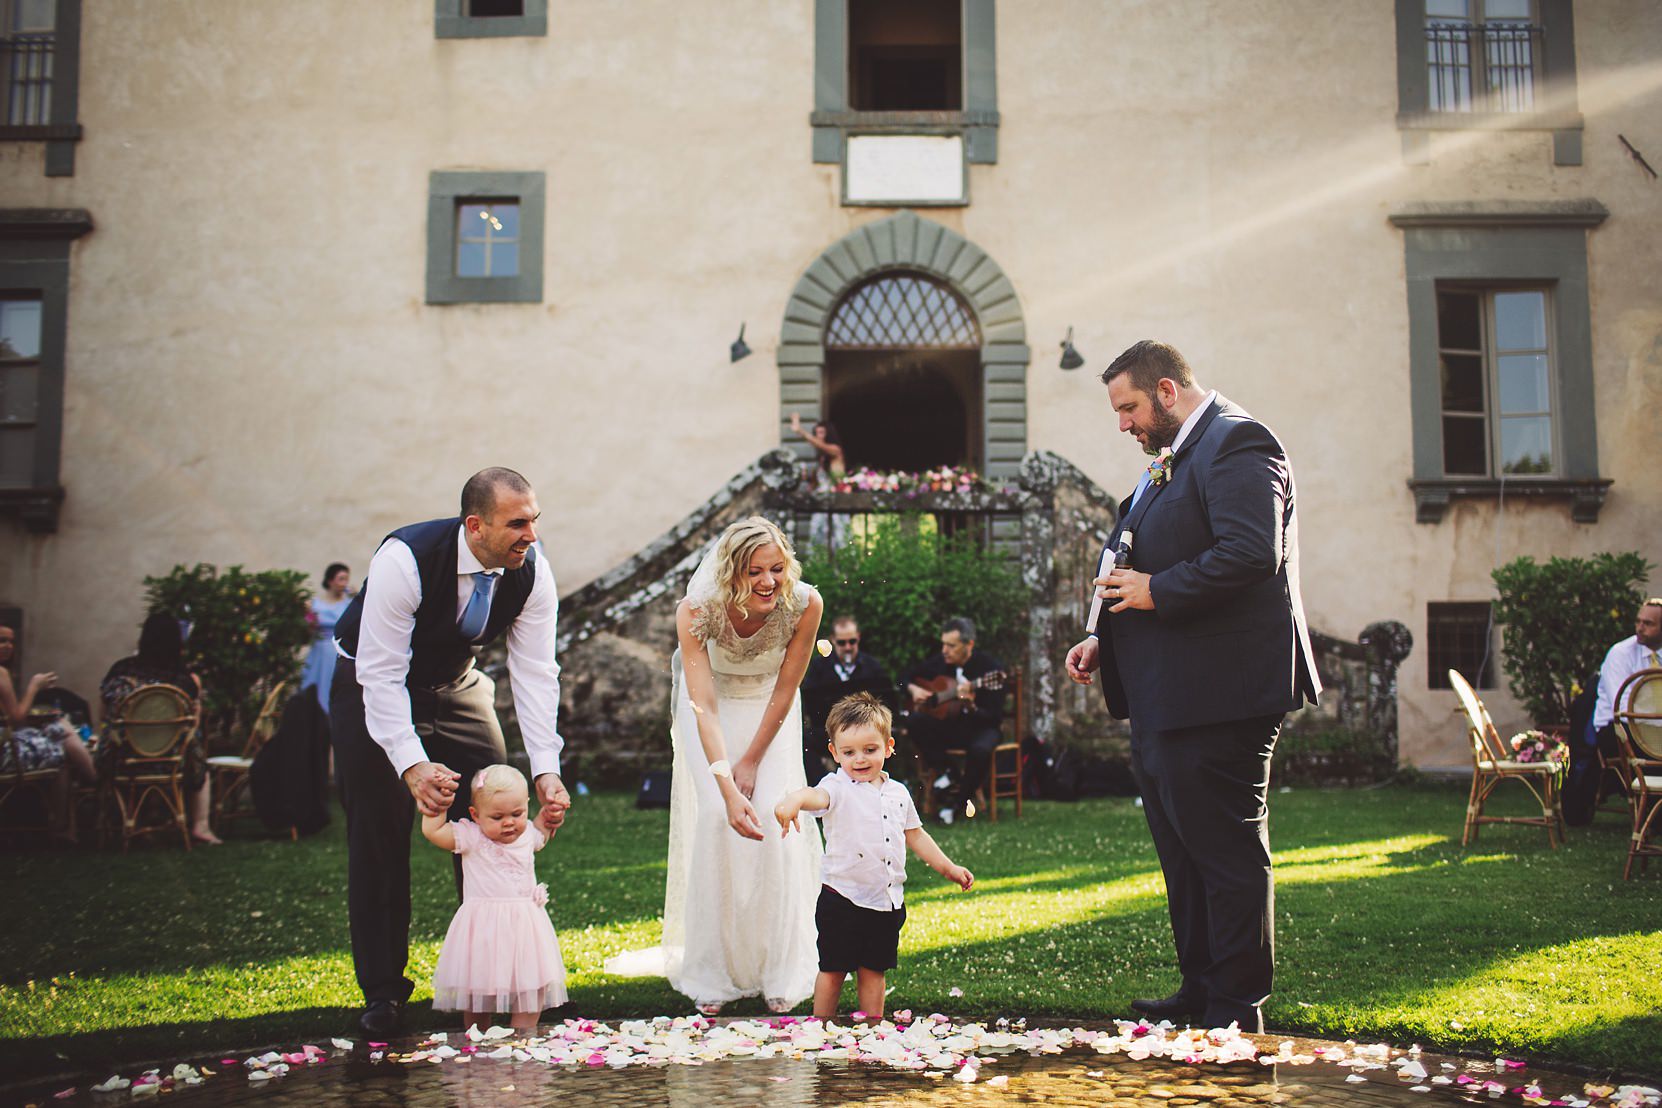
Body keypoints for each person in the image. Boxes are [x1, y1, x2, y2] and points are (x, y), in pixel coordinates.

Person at [1065, 340, 1319, 1033]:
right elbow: (1131, 553)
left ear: (1168, 390)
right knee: (1183, 854)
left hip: (1223, 693)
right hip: (1165, 696)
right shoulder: (1167, 462)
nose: (1123, 424)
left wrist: (1155, 592)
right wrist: (1100, 636)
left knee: (1228, 855)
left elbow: (1249, 551)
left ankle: (1238, 1008)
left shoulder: (1240, 443)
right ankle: (1201, 986)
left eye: (1129, 408)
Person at [330, 467, 571, 1039]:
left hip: (459, 688)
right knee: (379, 836)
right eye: (517, 523)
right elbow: (382, 672)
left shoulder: (531, 571)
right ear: (475, 525)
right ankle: (384, 993)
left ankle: (500, 982)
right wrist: (412, 766)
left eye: (534, 519)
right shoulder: (405, 559)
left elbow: (536, 674)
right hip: (370, 686)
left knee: (494, 821)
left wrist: (545, 769)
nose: (530, 534)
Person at [605, 516, 824, 1016]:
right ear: (730, 573)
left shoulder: (804, 604)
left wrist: (752, 761)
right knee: (714, 823)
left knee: (774, 816)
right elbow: (701, 701)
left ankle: (780, 967)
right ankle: (713, 971)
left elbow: (787, 688)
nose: (768, 581)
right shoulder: (696, 611)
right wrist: (727, 784)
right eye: (754, 572)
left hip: (771, 711)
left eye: (776, 568)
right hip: (712, 714)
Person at [775, 692, 973, 1021]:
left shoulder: (898, 793)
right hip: (842, 899)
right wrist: (795, 798)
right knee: (833, 969)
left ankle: (872, 1030)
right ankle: (819, 1027)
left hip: (886, 901)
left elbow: (915, 835)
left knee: (874, 970)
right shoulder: (836, 787)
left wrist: (948, 868)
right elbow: (816, 796)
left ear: (889, 747)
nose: (860, 759)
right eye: (849, 752)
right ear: (834, 752)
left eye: (870, 750)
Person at [422, 764, 567, 1032]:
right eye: (497, 817)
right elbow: (434, 832)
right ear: (476, 815)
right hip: (484, 929)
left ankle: (523, 1037)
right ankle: (477, 1036)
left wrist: (552, 811)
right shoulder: (471, 837)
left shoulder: (527, 836)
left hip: (525, 930)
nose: (509, 822)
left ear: (526, 806)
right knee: (479, 987)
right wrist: (437, 807)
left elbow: (544, 830)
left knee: (530, 984)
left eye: (517, 813)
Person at [100, 612, 222, 845]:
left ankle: (128, 820)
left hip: (124, 758)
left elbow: (104, 715)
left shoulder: (121, 671)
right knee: (197, 756)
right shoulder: (185, 679)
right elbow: (193, 725)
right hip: (171, 760)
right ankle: (201, 825)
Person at [902, 617, 1009, 826]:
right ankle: (948, 771)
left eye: (951, 645)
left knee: (980, 750)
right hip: (951, 728)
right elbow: (906, 676)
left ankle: (956, 805)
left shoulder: (990, 670)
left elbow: (994, 716)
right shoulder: (941, 662)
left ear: (969, 645)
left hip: (982, 727)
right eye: (943, 644)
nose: (945, 650)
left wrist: (971, 705)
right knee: (915, 721)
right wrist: (914, 689)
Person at [0, 624, 95, 838]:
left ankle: (64, 823)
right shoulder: (1, 673)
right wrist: (34, 686)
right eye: (1, 640)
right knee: (61, 742)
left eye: (11, 641)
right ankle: (95, 785)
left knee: (58, 728)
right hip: (6, 755)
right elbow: (16, 719)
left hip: (7, 745)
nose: (8, 646)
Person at [799, 613, 892, 781]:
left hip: (866, 729)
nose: (848, 647)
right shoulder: (819, 667)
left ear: (858, 638)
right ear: (833, 640)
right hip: (830, 730)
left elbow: (886, 700)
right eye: (842, 642)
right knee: (804, 741)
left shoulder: (872, 666)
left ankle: (877, 784)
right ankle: (826, 786)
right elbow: (810, 699)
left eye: (852, 641)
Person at [1594, 598, 1662, 746]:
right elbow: (1622, 708)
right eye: (1638, 621)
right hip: (1618, 728)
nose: (1640, 628)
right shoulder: (1620, 653)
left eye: (1648, 623)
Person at [300, 562, 354, 716]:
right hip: (318, 651)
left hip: (338, 652)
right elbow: (307, 631)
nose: (344, 583)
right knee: (313, 687)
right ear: (330, 581)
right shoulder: (314, 604)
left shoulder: (348, 604)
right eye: (341, 579)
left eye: (346, 580)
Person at [792, 412, 849, 552]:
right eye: (816, 433)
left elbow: (820, 445)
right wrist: (807, 478)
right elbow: (816, 484)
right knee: (818, 540)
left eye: (822, 432)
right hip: (821, 504)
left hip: (835, 502)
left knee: (839, 539)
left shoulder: (836, 451)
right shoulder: (821, 459)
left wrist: (800, 431)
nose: (819, 436)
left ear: (829, 434)